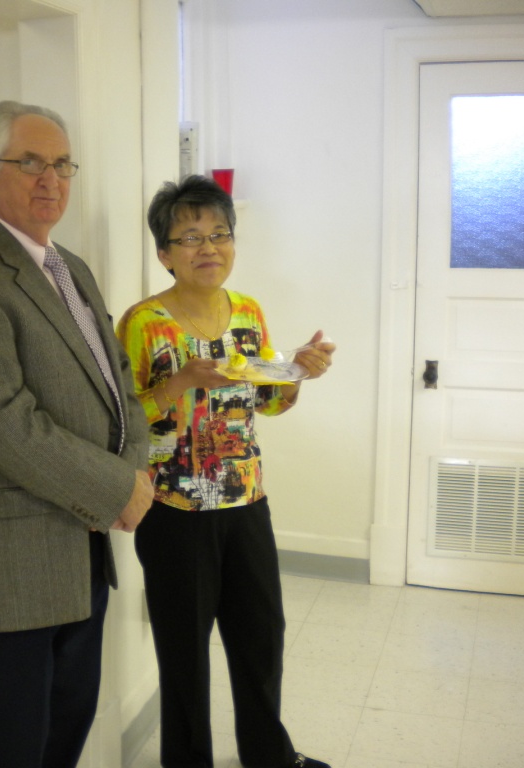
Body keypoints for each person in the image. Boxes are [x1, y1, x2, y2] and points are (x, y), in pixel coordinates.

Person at [0, 100, 153, 768]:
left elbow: (119, 382)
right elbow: (0, 422)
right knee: (17, 747)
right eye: (30, 163)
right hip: (14, 566)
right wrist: (118, 488)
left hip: (84, 555)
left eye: (62, 164)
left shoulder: (70, 267)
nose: (50, 179)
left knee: (67, 731)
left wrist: (135, 467)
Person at [115, 175, 337, 768]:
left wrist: (298, 373)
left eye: (219, 234)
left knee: (261, 637)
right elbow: (122, 419)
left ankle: (268, 755)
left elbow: (264, 401)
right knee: (184, 653)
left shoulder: (248, 312)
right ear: (164, 254)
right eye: (190, 237)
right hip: (174, 509)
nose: (208, 247)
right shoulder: (143, 323)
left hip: (246, 501)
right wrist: (181, 382)